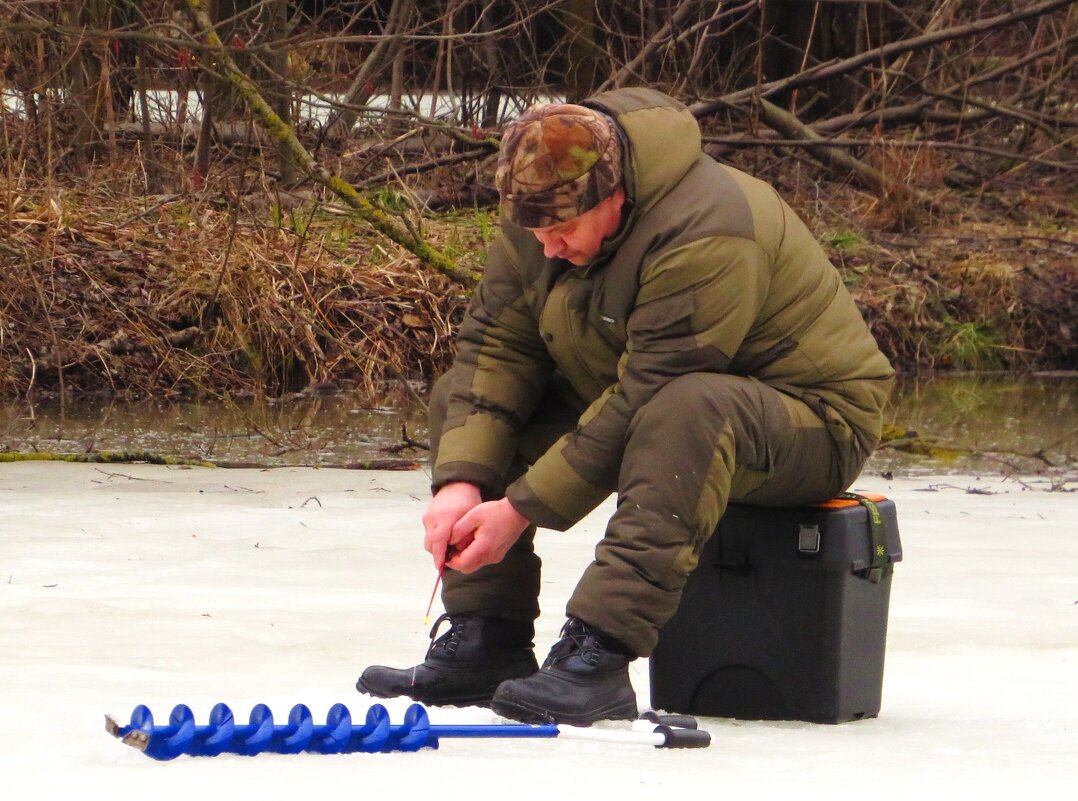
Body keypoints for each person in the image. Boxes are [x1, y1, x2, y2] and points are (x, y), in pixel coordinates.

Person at [357, 87, 894, 725]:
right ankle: (485, 641)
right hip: (658, 399)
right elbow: (498, 345)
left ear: (612, 195)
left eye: (562, 230)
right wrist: (464, 484)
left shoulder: (709, 225)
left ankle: (598, 655)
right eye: (536, 232)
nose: (548, 247)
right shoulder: (540, 207)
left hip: (810, 422)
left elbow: (653, 386)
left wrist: (522, 508)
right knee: (464, 399)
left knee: (690, 407)